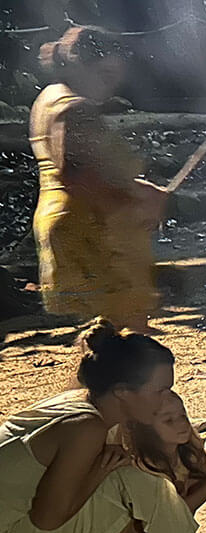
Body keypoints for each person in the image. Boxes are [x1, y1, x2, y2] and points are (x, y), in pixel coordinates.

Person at [0, 319, 195, 533]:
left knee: (127, 484)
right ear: (121, 391)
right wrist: (98, 478)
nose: (167, 400)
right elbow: (47, 518)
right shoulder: (86, 428)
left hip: (11, 527)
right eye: (160, 391)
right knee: (118, 498)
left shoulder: (88, 405)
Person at [29, 27, 167, 332]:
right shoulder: (75, 109)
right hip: (92, 232)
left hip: (69, 222)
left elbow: (85, 171)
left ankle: (97, 376)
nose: (111, 85)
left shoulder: (49, 97)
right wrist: (136, 202)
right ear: (80, 65)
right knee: (128, 336)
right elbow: (77, 178)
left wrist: (138, 189)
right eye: (105, 75)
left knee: (105, 333)